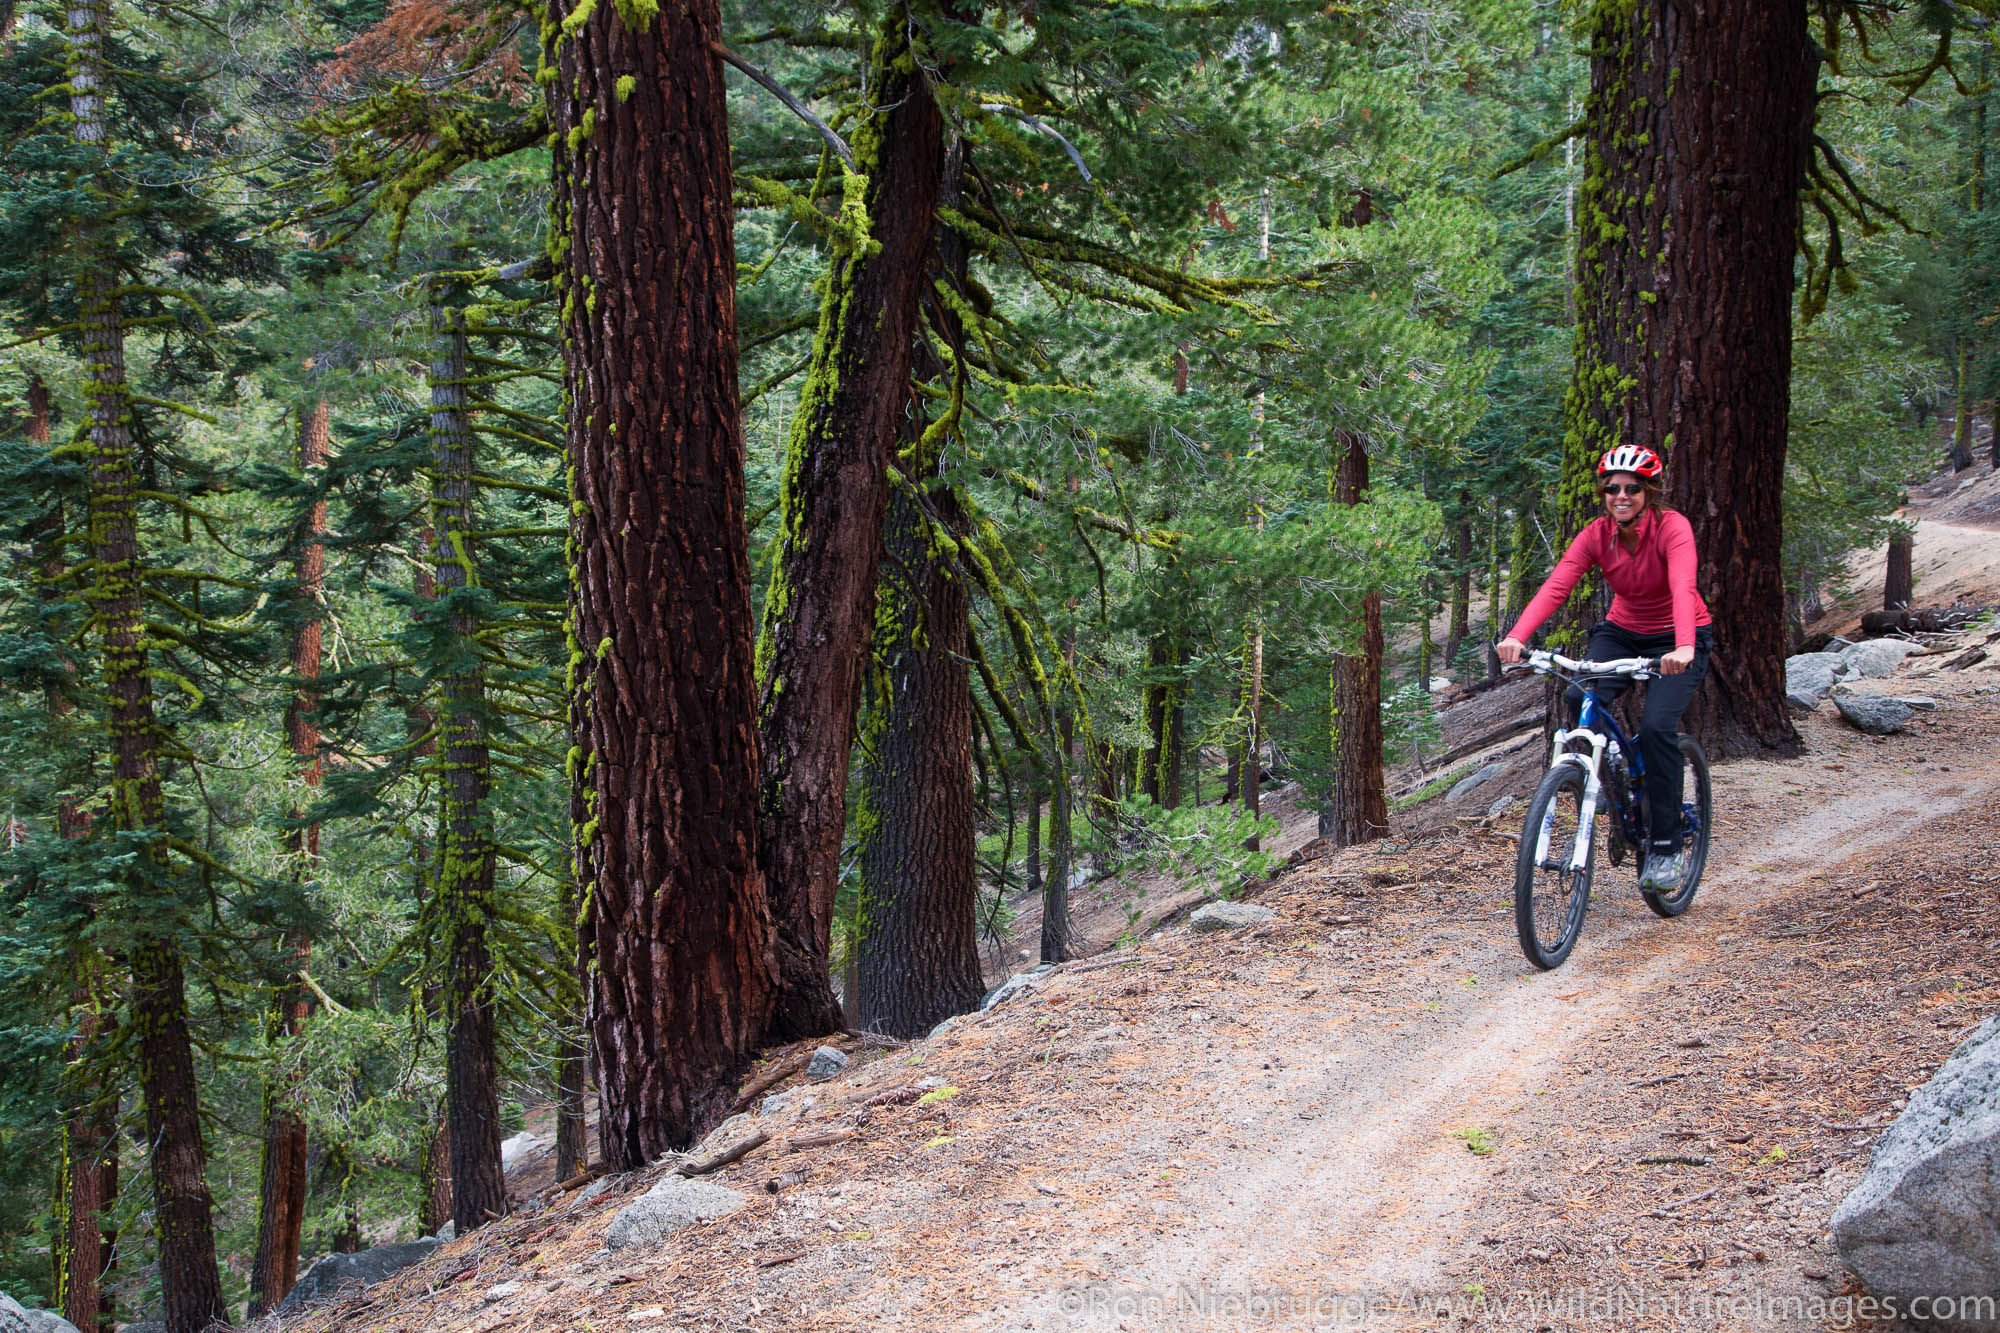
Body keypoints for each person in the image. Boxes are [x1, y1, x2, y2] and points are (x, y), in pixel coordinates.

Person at [1496, 444, 1713, 891]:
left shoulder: (1673, 528)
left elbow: (1681, 585)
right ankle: (1613, 787)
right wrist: (1518, 635)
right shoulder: (1597, 534)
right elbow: (1558, 585)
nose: (1621, 495)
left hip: (1680, 635)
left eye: (1633, 488)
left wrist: (1685, 646)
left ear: (1649, 492)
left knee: (1656, 729)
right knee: (1579, 696)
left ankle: (1667, 844)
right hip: (1622, 630)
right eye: (1612, 488)